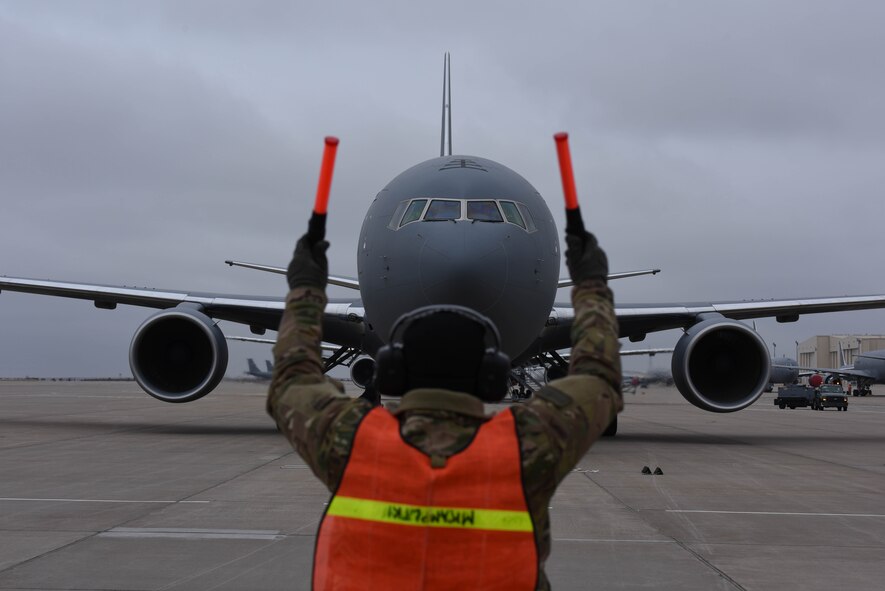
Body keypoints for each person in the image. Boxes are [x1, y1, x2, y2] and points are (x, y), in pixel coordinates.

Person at [268, 226, 623, 590]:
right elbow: (598, 379)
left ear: (394, 372)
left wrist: (305, 290)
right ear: (490, 376)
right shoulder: (525, 449)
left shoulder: (352, 443)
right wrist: (592, 285)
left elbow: (293, 380)